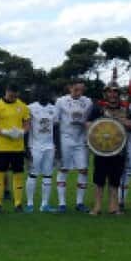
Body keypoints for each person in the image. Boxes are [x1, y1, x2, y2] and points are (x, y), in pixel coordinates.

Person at [87, 83, 131, 215]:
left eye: (115, 92)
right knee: (99, 180)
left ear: (118, 94)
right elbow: (88, 124)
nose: (112, 95)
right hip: (101, 149)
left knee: (115, 180)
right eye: (110, 92)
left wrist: (127, 123)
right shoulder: (98, 109)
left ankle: (114, 207)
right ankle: (97, 207)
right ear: (105, 94)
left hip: (118, 149)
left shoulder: (125, 109)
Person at [0, 84, 30, 211]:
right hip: (2, 147)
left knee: (18, 174)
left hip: (18, 147)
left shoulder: (22, 106)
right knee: (0, 174)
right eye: (11, 95)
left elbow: (27, 123)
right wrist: (4, 132)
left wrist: (22, 132)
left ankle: (18, 203)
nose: (13, 98)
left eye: (15, 96)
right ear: (6, 92)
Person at [54, 79, 93, 212]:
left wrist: (87, 124)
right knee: (63, 169)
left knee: (83, 169)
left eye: (81, 90)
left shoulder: (88, 102)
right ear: (70, 88)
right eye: (76, 89)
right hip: (65, 138)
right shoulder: (60, 101)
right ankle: (62, 204)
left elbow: (90, 119)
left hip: (80, 139)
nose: (79, 92)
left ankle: (80, 203)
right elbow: (55, 121)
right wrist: (56, 143)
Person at [25, 87, 58, 212]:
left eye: (47, 94)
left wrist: (56, 146)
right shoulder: (30, 108)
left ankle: (45, 204)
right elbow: (27, 129)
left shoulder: (53, 109)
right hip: (35, 147)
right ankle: (29, 203)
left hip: (49, 147)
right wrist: (26, 148)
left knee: (48, 175)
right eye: (42, 93)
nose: (44, 96)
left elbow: (55, 129)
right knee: (33, 174)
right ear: (37, 95)